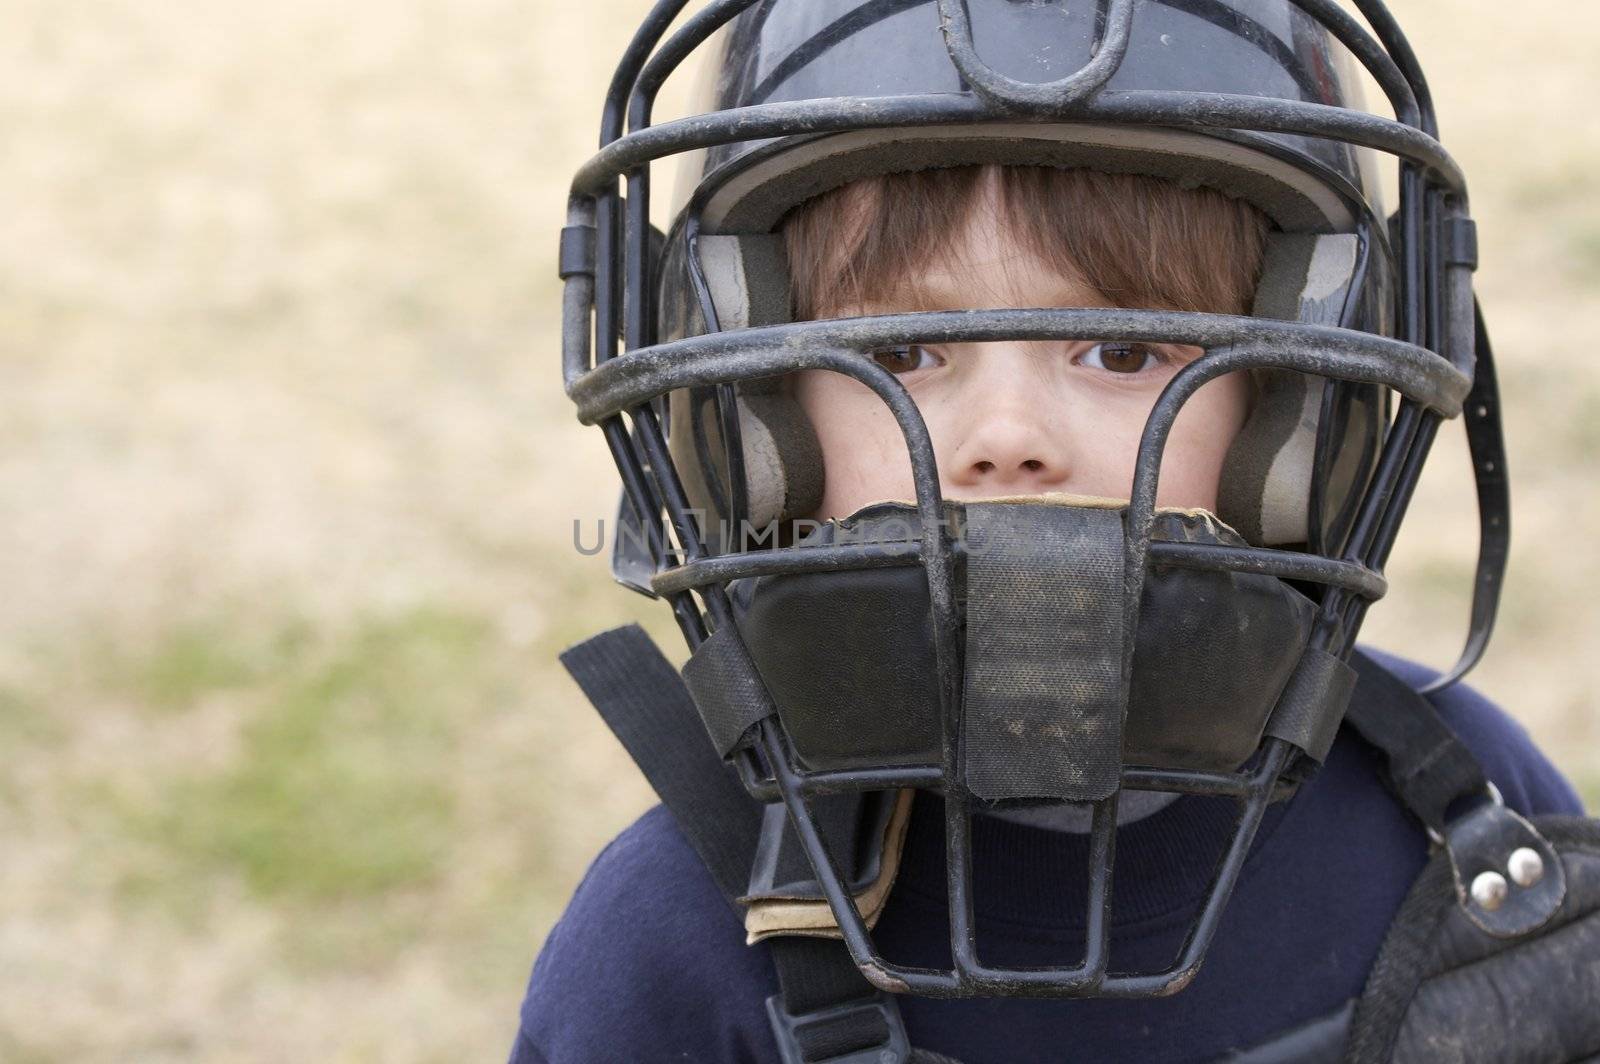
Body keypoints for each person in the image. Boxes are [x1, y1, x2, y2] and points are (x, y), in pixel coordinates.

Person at [513, 2, 1597, 1061]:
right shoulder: (669, 944)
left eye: (1120, 353)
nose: (1009, 437)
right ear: (750, 402)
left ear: (1297, 395)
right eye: (901, 355)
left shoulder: (1465, 810)